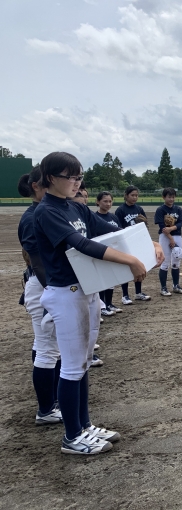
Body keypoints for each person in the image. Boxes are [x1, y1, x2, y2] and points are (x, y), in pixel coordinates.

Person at [33, 151, 163, 454]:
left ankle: (84, 425)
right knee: (72, 366)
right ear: (51, 178)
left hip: (85, 290)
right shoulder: (47, 211)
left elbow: (112, 230)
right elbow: (81, 244)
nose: (77, 182)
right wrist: (130, 259)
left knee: (83, 362)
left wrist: (149, 242)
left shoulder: (75, 207)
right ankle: (72, 436)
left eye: (80, 177)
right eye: (71, 177)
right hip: (65, 292)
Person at [17, 167, 61, 425]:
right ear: (36, 186)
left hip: (50, 284)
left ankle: (53, 400)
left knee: (50, 348)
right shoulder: (32, 216)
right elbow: (38, 263)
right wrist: (56, 290)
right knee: (47, 349)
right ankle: (46, 409)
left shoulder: (46, 211)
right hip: (44, 285)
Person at [115, 185, 152, 304]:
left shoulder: (139, 209)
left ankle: (138, 293)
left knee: (138, 266)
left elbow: (145, 225)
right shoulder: (120, 210)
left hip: (137, 241)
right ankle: (125, 295)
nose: (135, 197)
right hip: (125, 242)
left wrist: (144, 226)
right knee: (126, 268)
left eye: (136, 195)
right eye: (132, 195)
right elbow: (118, 227)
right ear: (126, 195)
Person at [95, 191, 123, 316]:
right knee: (102, 280)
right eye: (105, 201)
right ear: (98, 202)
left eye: (110, 201)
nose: (108, 204)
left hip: (113, 251)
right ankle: (101, 306)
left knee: (112, 279)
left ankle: (109, 303)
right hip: (101, 251)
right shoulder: (95, 217)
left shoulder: (113, 217)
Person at [154, 187, 182, 296]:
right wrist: (171, 238)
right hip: (165, 237)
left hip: (177, 236)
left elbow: (180, 223)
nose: (171, 199)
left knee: (177, 261)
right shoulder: (160, 210)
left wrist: (171, 228)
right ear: (164, 197)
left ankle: (176, 285)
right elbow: (162, 227)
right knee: (165, 262)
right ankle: (163, 288)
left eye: (173, 197)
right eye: (169, 197)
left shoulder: (178, 209)